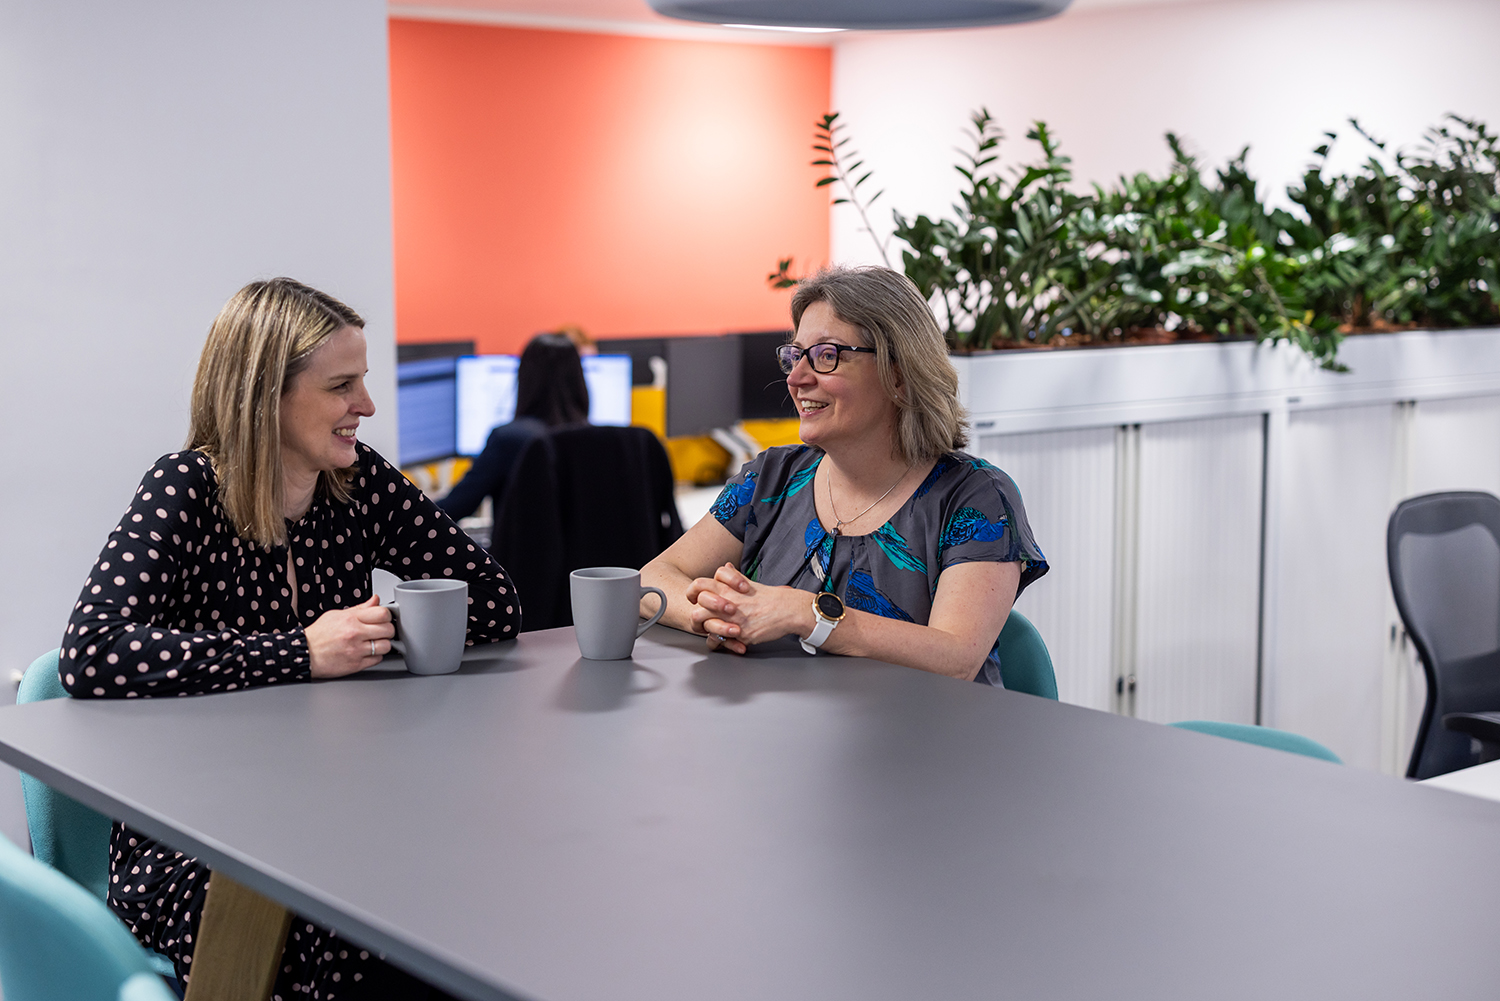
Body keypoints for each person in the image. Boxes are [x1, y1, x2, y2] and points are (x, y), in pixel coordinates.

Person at [60, 278, 520, 998]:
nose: (365, 407)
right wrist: (302, 651)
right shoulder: (184, 488)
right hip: (200, 835)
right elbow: (92, 652)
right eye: (342, 386)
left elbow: (492, 602)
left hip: (332, 809)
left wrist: (371, 634)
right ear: (262, 395)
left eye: (362, 382)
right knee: (353, 926)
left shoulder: (359, 482)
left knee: (458, 895)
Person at [641, 265, 1047, 685]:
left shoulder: (976, 498)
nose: (796, 379)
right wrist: (719, 619)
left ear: (899, 373)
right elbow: (652, 579)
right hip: (784, 733)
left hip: (926, 740)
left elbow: (956, 656)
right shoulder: (771, 477)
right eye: (795, 356)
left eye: (826, 356)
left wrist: (803, 613)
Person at [438, 332, 590, 520]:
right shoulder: (592, 440)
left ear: (525, 380)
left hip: (522, 549)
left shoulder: (509, 439)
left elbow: (456, 507)